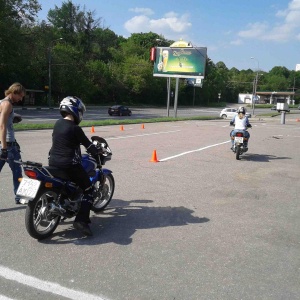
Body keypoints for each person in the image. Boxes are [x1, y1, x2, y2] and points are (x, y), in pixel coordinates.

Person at [48, 96, 100, 236]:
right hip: (69, 165)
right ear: (76, 111)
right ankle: (81, 221)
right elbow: (89, 146)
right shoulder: (75, 128)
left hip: (53, 162)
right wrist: (97, 153)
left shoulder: (57, 123)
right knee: (88, 190)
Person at [0, 82, 26, 204]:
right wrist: (4, 148)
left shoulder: (2, 102)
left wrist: (13, 119)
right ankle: (19, 197)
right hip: (8, 145)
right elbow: (2, 126)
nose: (20, 99)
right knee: (17, 171)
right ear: (14, 92)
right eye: (20, 96)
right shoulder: (7, 104)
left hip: (4, 143)